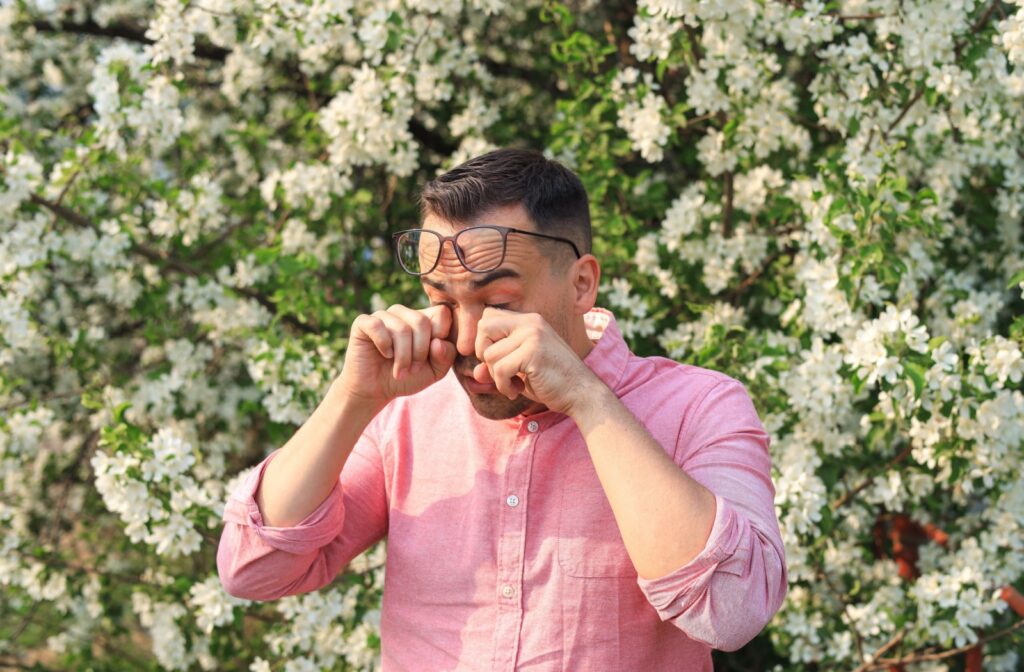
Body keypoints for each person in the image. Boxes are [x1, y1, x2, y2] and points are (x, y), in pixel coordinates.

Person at [217, 147, 787, 671]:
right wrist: (352, 398)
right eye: (441, 299)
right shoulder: (406, 413)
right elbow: (254, 569)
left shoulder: (700, 406)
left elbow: (732, 612)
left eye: (496, 302)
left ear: (582, 283)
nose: (465, 338)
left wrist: (588, 400)